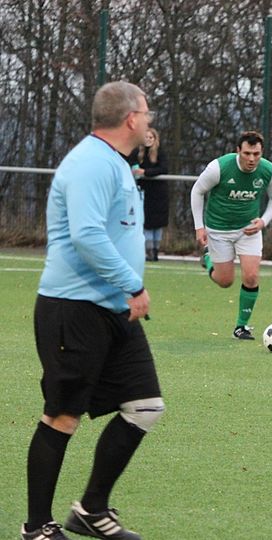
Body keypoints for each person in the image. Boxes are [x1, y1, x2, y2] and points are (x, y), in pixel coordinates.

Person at [22, 81, 164, 540]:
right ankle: (37, 527)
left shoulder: (116, 162)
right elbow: (86, 236)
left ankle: (90, 510)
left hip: (112, 309)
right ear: (130, 118)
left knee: (145, 406)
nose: (149, 120)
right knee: (63, 416)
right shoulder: (90, 163)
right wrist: (133, 284)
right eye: (146, 112)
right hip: (74, 309)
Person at [190, 130, 272, 340]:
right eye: (247, 153)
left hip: (248, 230)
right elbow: (197, 191)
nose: (252, 159)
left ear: (262, 153)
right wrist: (199, 227)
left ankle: (241, 327)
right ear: (238, 151)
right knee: (225, 281)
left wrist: (263, 221)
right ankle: (208, 259)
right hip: (218, 229)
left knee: (251, 277)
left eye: (256, 154)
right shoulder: (219, 167)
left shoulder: (268, 170)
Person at [126, 128, 169, 261]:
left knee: (158, 223)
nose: (148, 140)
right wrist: (135, 171)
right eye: (146, 137)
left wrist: (145, 172)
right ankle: (149, 251)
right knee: (146, 222)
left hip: (159, 193)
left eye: (151, 137)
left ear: (155, 139)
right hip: (144, 192)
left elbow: (163, 169)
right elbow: (130, 163)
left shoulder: (160, 153)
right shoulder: (137, 152)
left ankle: (156, 251)